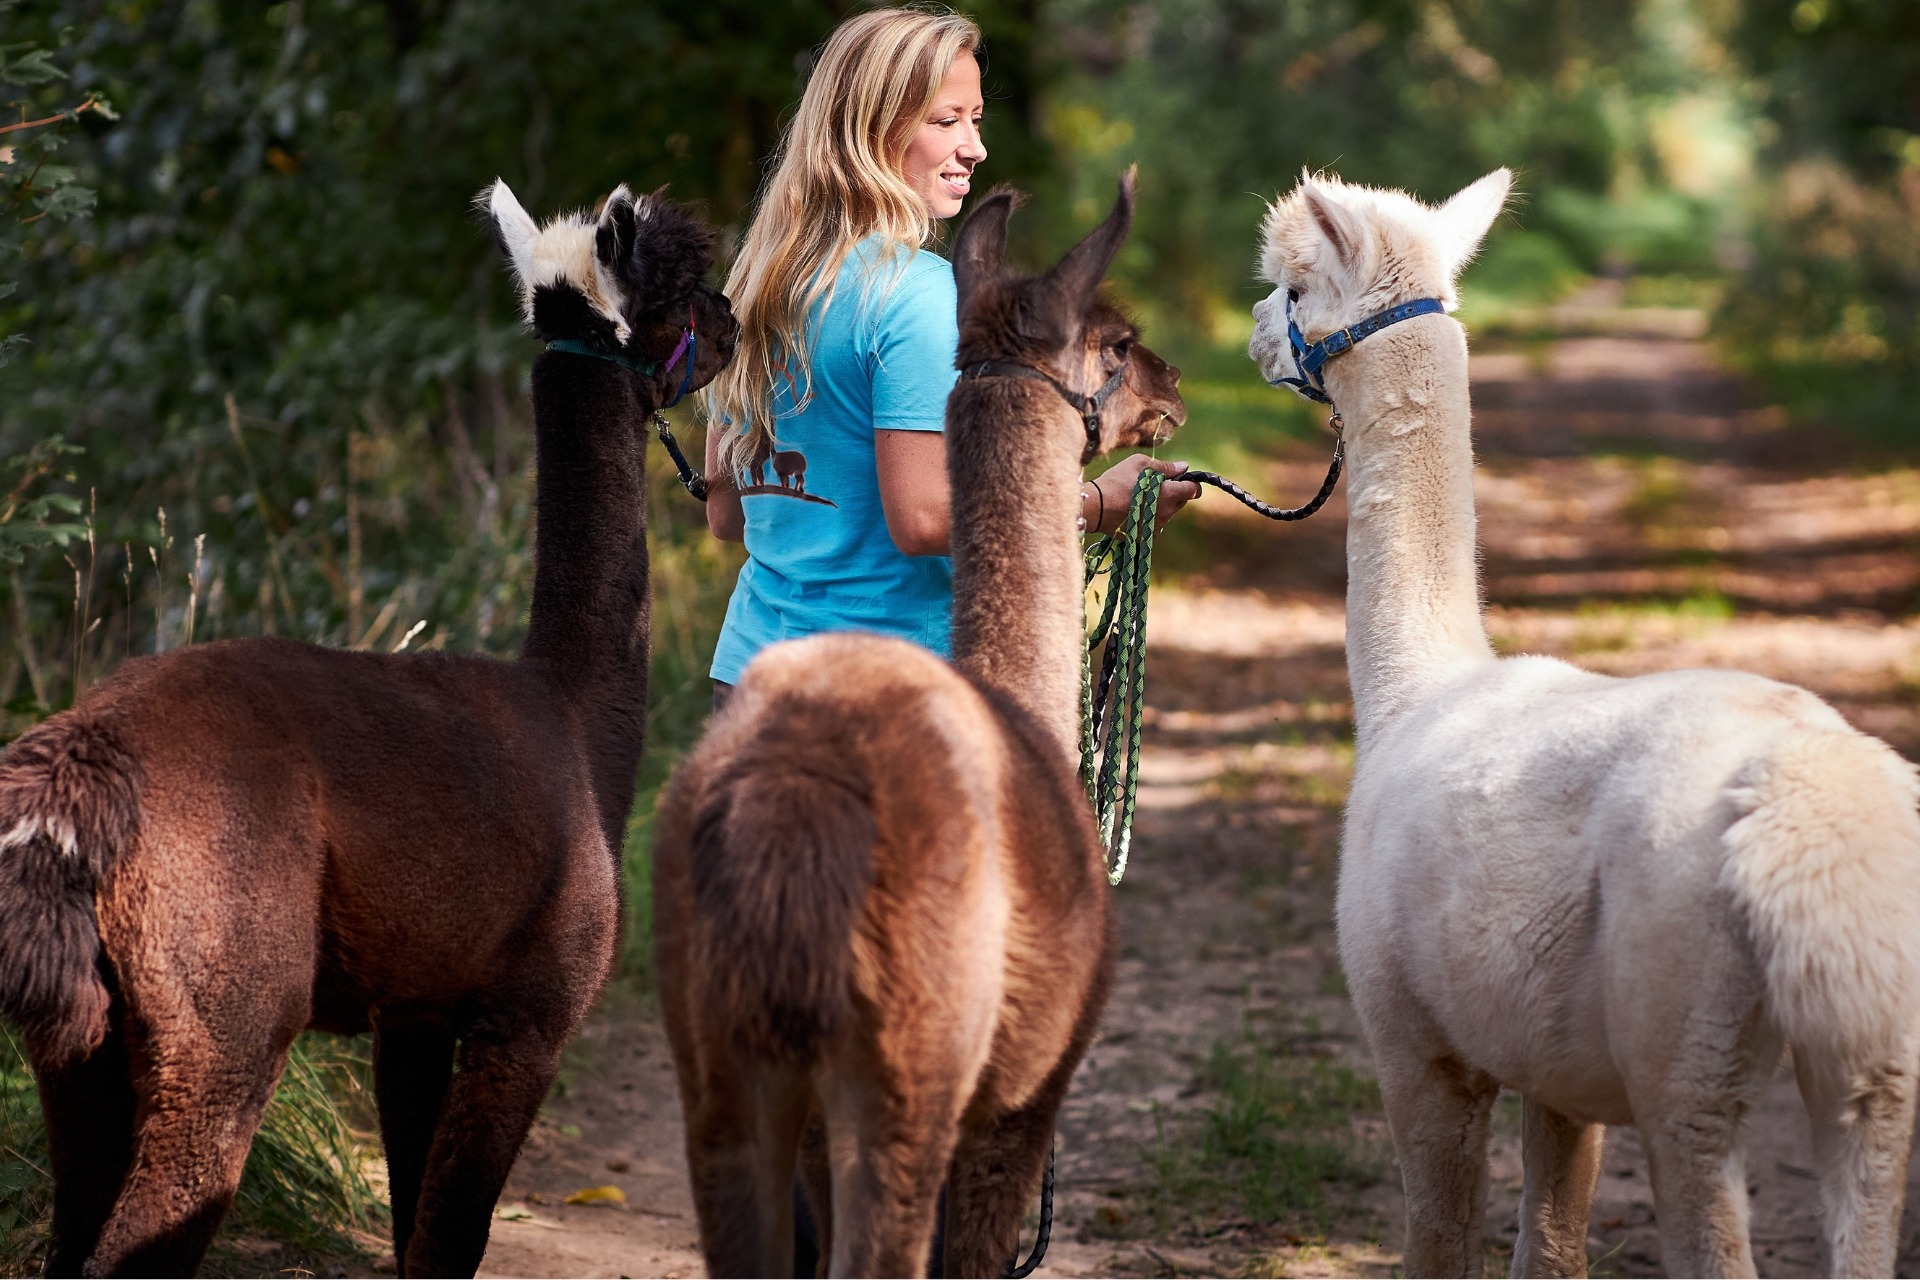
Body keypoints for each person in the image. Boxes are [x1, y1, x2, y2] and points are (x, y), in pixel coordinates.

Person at [703, 6, 1198, 710]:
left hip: (749, 674)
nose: (975, 148)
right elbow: (925, 519)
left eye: (977, 120)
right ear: (873, 131)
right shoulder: (915, 293)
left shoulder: (760, 287)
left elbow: (728, 515)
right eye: (946, 121)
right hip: (890, 687)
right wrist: (1097, 504)